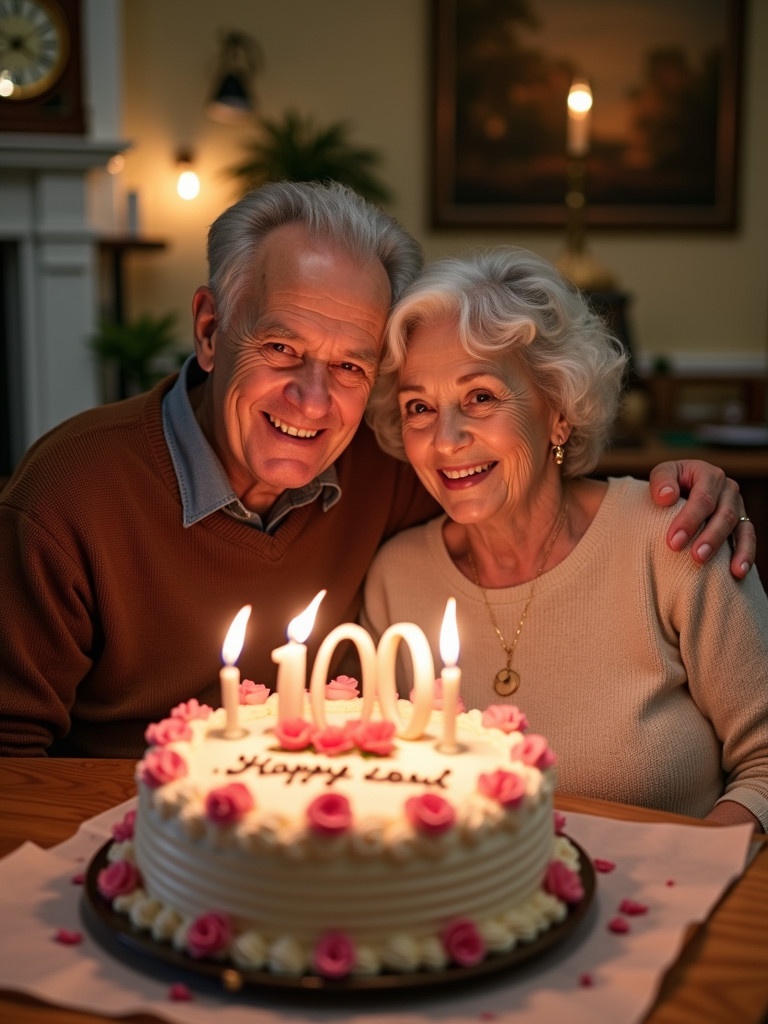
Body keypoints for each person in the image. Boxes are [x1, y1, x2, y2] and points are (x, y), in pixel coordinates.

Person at [0, 183, 755, 759]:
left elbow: (519, 478)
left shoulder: (395, 465)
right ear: (209, 330)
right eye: (282, 348)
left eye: (351, 365)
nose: (314, 399)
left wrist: (690, 487)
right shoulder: (68, 495)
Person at [362, 247, 768, 831]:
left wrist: (694, 873)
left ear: (557, 409)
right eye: (419, 407)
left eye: (480, 397)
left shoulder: (673, 538)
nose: (446, 439)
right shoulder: (394, 581)